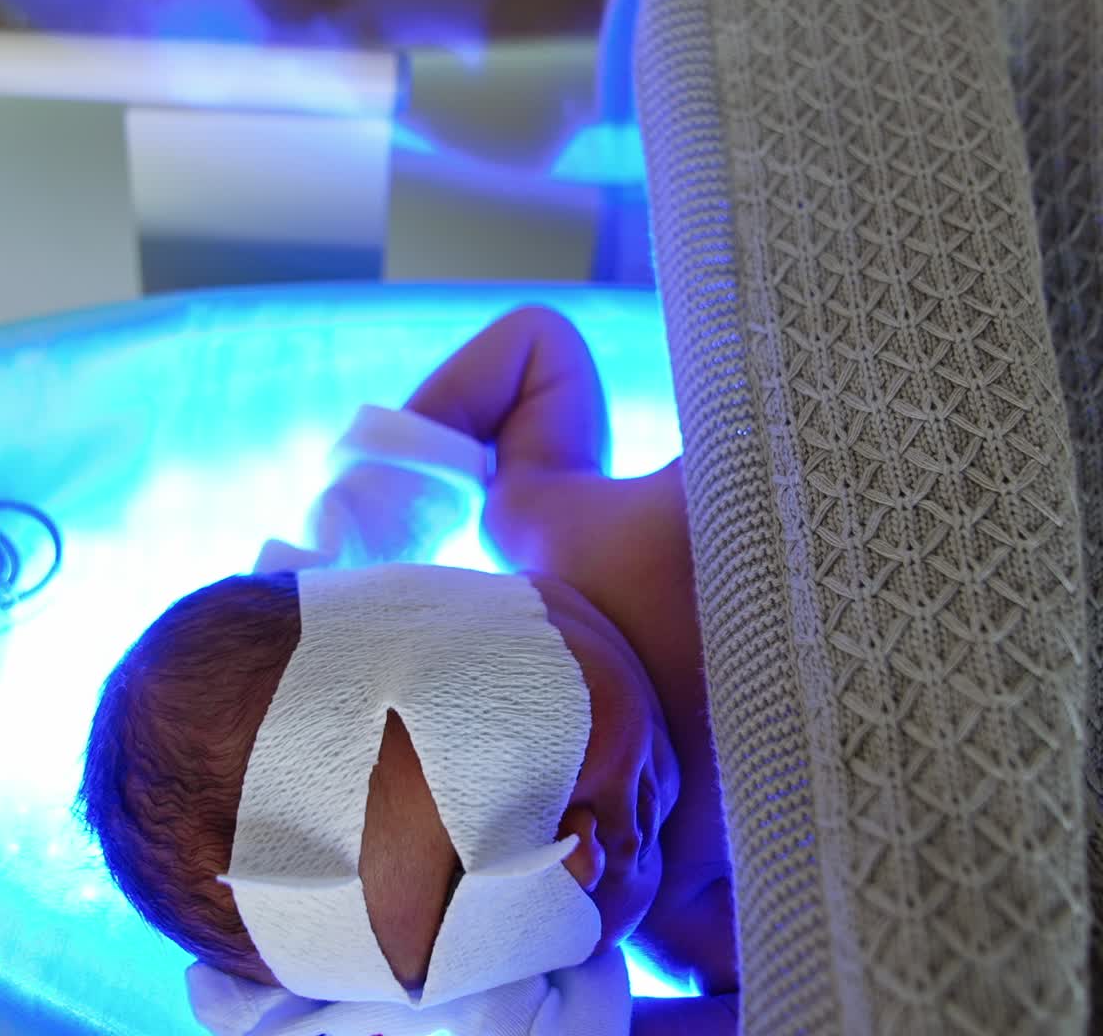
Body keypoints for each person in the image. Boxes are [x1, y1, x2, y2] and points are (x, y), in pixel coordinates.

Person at [78, 304, 739, 1030]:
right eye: (498, 918)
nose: (582, 854)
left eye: (505, 760)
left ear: (436, 607)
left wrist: (383, 498)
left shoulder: (553, 519)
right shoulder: (680, 914)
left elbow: (531, 350)